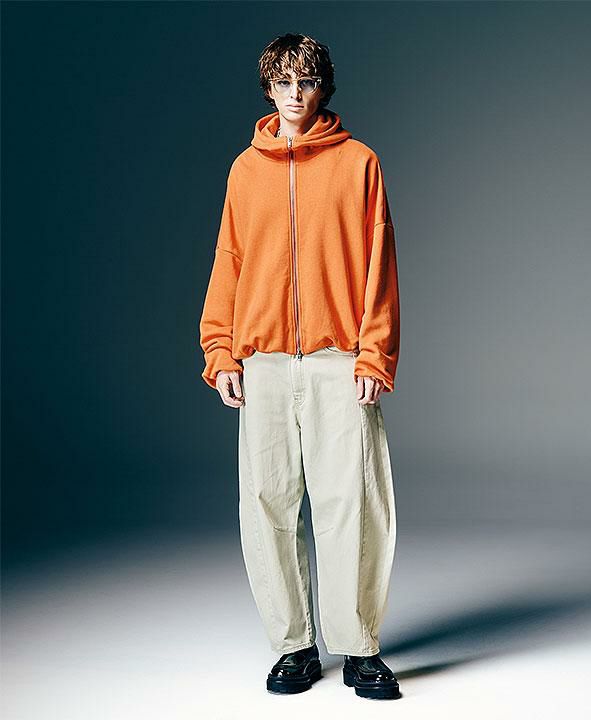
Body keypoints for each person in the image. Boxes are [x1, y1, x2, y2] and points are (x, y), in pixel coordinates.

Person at [199, 33, 401, 700]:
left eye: (306, 82)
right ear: (268, 88)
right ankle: (294, 646)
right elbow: (229, 260)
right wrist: (220, 349)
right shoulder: (244, 171)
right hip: (263, 361)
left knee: (354, 503)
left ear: (323, 88)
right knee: (266, 504)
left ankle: (360, 647)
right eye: (283, 82)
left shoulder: (359, 164)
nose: (294, 94)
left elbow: (379, 266)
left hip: (339, 360)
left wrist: (374, 352)